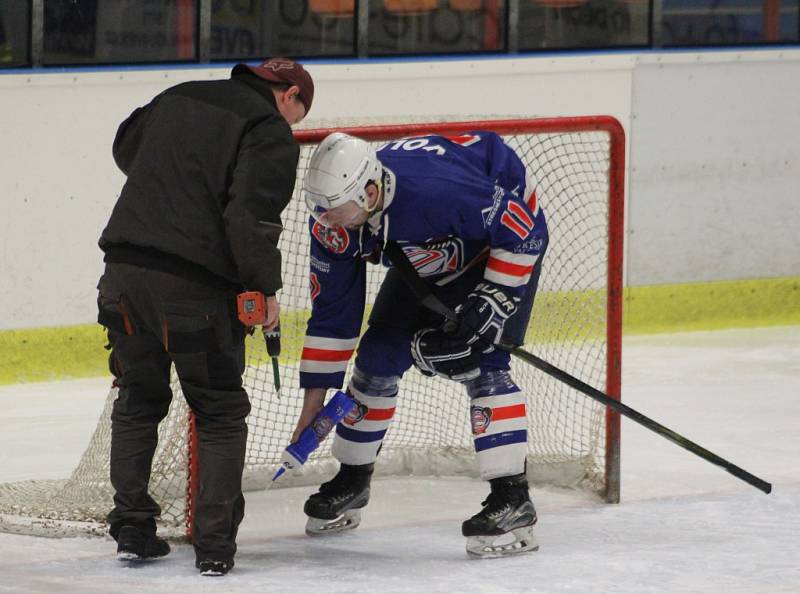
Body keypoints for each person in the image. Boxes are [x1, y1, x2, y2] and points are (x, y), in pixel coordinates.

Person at [96, 57, 313, 576]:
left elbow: (125, 147)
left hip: (122, 277)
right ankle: (214, 546)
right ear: (286, 95)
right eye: (299, 114)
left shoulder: (179, 93)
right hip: (193, 292)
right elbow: (252, 217)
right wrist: (264, 288)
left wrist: (177, 184)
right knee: (218, 411)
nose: (294, 126)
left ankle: (132, 529)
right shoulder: (267, 129)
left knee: (138, 399)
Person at [294, 131, 549, 558]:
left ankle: (513, 498)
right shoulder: (333, 220)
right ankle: (353, 480)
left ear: (370, 191)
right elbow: (333, 315)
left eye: (337, 210)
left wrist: (491, 300)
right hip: (428, 249)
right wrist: (312, 405)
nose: (328, 222)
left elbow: (524, 232)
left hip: (500, 247)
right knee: (377, 358)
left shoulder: (438, 191)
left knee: (481, 360)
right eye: (321, 211)